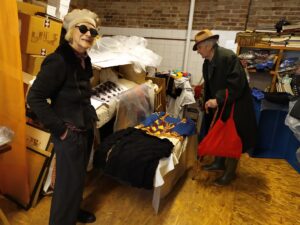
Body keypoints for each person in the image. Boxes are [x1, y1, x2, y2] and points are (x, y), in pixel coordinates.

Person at [27, 9, 100, 225]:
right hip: (69, 133)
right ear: (71, 31)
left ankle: (74, 211)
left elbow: (81, 95)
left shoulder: (84, 59)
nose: (88, 34)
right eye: (83, 28)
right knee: (67, 184)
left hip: (84, 128)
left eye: (93, 31)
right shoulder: (58, 61)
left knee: (78, 179)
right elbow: (35, 97)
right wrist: (61, 130)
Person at [193, 29, 257, 186]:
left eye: (199, 48)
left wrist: (218, 99)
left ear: (208, 46)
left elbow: (237, 85)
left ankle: (230, 173)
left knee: (233, 137)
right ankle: (218, 163)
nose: (198, 52)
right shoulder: (207, 62)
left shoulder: (228, 57)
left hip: (236, 104)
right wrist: (207, 99)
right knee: (220, 132)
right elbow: (210, 85)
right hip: (221, 104)